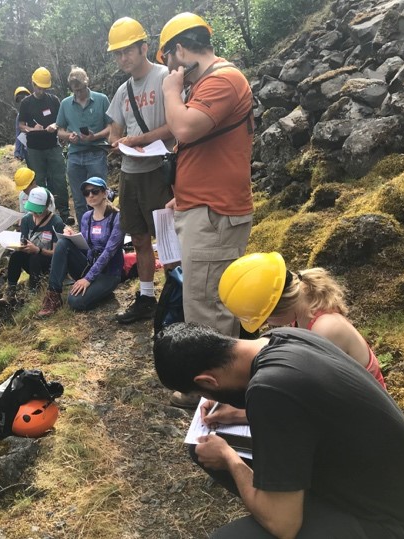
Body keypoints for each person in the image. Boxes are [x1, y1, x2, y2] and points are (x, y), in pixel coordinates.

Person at [153, 322, 404, 539]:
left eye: (203, 392)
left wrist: (229, 458)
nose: (206, 397)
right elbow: (300, 410)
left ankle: (285, 505)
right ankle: (284, 501)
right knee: (198, 448)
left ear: (208, 380)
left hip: (388, 518)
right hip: (372, 478)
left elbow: (284, 526)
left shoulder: (269, 389)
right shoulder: (286, 337)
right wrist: (239, 411)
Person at [158, 12, 254, 407]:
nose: (172, 71)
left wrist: (169, 90)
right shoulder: (211, 82)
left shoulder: (222, 80)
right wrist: (183, 194)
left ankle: (215, 396)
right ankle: (216, 386)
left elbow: (183, 129)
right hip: (203, 208)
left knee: (206, 308)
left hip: (214, 215)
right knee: (207, 301)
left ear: (180, 50)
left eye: (170, 62)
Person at [219, 251, 386, 389]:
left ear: (278, 308)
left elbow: (310, 392)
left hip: (365, 413)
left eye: (265, 320)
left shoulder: (326, 328)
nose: (266, 325)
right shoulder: (303, 311)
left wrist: (242, 411)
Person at [106, 17, 175, 324]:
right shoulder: (122, 91)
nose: (123, 58)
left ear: (144, 47)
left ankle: (177, 298)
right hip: (130, 172)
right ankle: (146, 297)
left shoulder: (165, 77)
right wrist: (117, 142)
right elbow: (115, 130)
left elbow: (178, 124)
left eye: (128, 51)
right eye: (118, 53)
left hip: (159, 169)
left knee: (168, 238)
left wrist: (141, 140)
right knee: (139, 237)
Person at [38, 177, 124, 316]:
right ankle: (53, 294)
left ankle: (102, 291)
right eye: (86, 193)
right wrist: (73, 237)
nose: (90, 195)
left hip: (108, 273)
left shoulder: (117, 217)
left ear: (104, 193)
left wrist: (88, 279)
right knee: (63, 243)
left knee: (75, 301)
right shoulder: (86, 217)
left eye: (95, 191)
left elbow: (109, 252)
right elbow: (86, 246)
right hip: (88, 265)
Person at [56, 66, 112, 225]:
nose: (78, 93)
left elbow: (111, 127)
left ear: (87, 83)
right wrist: (69, 136)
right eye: (75, 90)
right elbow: (59, 130)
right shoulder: (65, 104)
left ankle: (104, 229)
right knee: (80, 199)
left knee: (99, 196)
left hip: (96, 152)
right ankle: (85, 234)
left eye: (81, 89)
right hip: (74, 155)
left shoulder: (101, 100)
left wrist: (95, 136)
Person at [18, 67, 71, 223]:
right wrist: (32, 129)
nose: (40, 90)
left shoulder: (53, 100)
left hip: (53, 145)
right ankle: (44, 215)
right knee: (39, 181)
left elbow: (62, 119)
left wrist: (55, 125)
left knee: (59, 179)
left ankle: (65, 213)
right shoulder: (26, 103)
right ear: (33, 83)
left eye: (43, 88)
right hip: (35, 149)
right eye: (38, 87)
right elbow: (21, 125)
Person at [3, 186, 64, 299]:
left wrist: (38, 250)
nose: (35, 213)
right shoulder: (26, 220)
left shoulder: (56, 222)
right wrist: (19, 246)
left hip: (48, 263)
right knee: (16, 255)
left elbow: (57, 253)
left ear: (46, 206)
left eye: (38, 210)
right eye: (32, 209)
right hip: (31, 261)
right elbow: (24, 241)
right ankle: (10, 289)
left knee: (35, 257)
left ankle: (33, 290)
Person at [0, 167, 37, 281]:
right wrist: (19, 223)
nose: (24, 190)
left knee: (19, 247)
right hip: (24, 228)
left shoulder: (43, 195)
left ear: (33, 182)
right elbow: (23, 214)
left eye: (26, 187)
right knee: (6, 240)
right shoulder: (22, 196)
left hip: (37, 231)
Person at [13, 86, 31, 164]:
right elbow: (19, 134)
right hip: (28, 148)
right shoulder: (20, 116)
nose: (23, 100)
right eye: (20, 98)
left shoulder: (38, 109)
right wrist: (17, 152)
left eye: (24, 97)